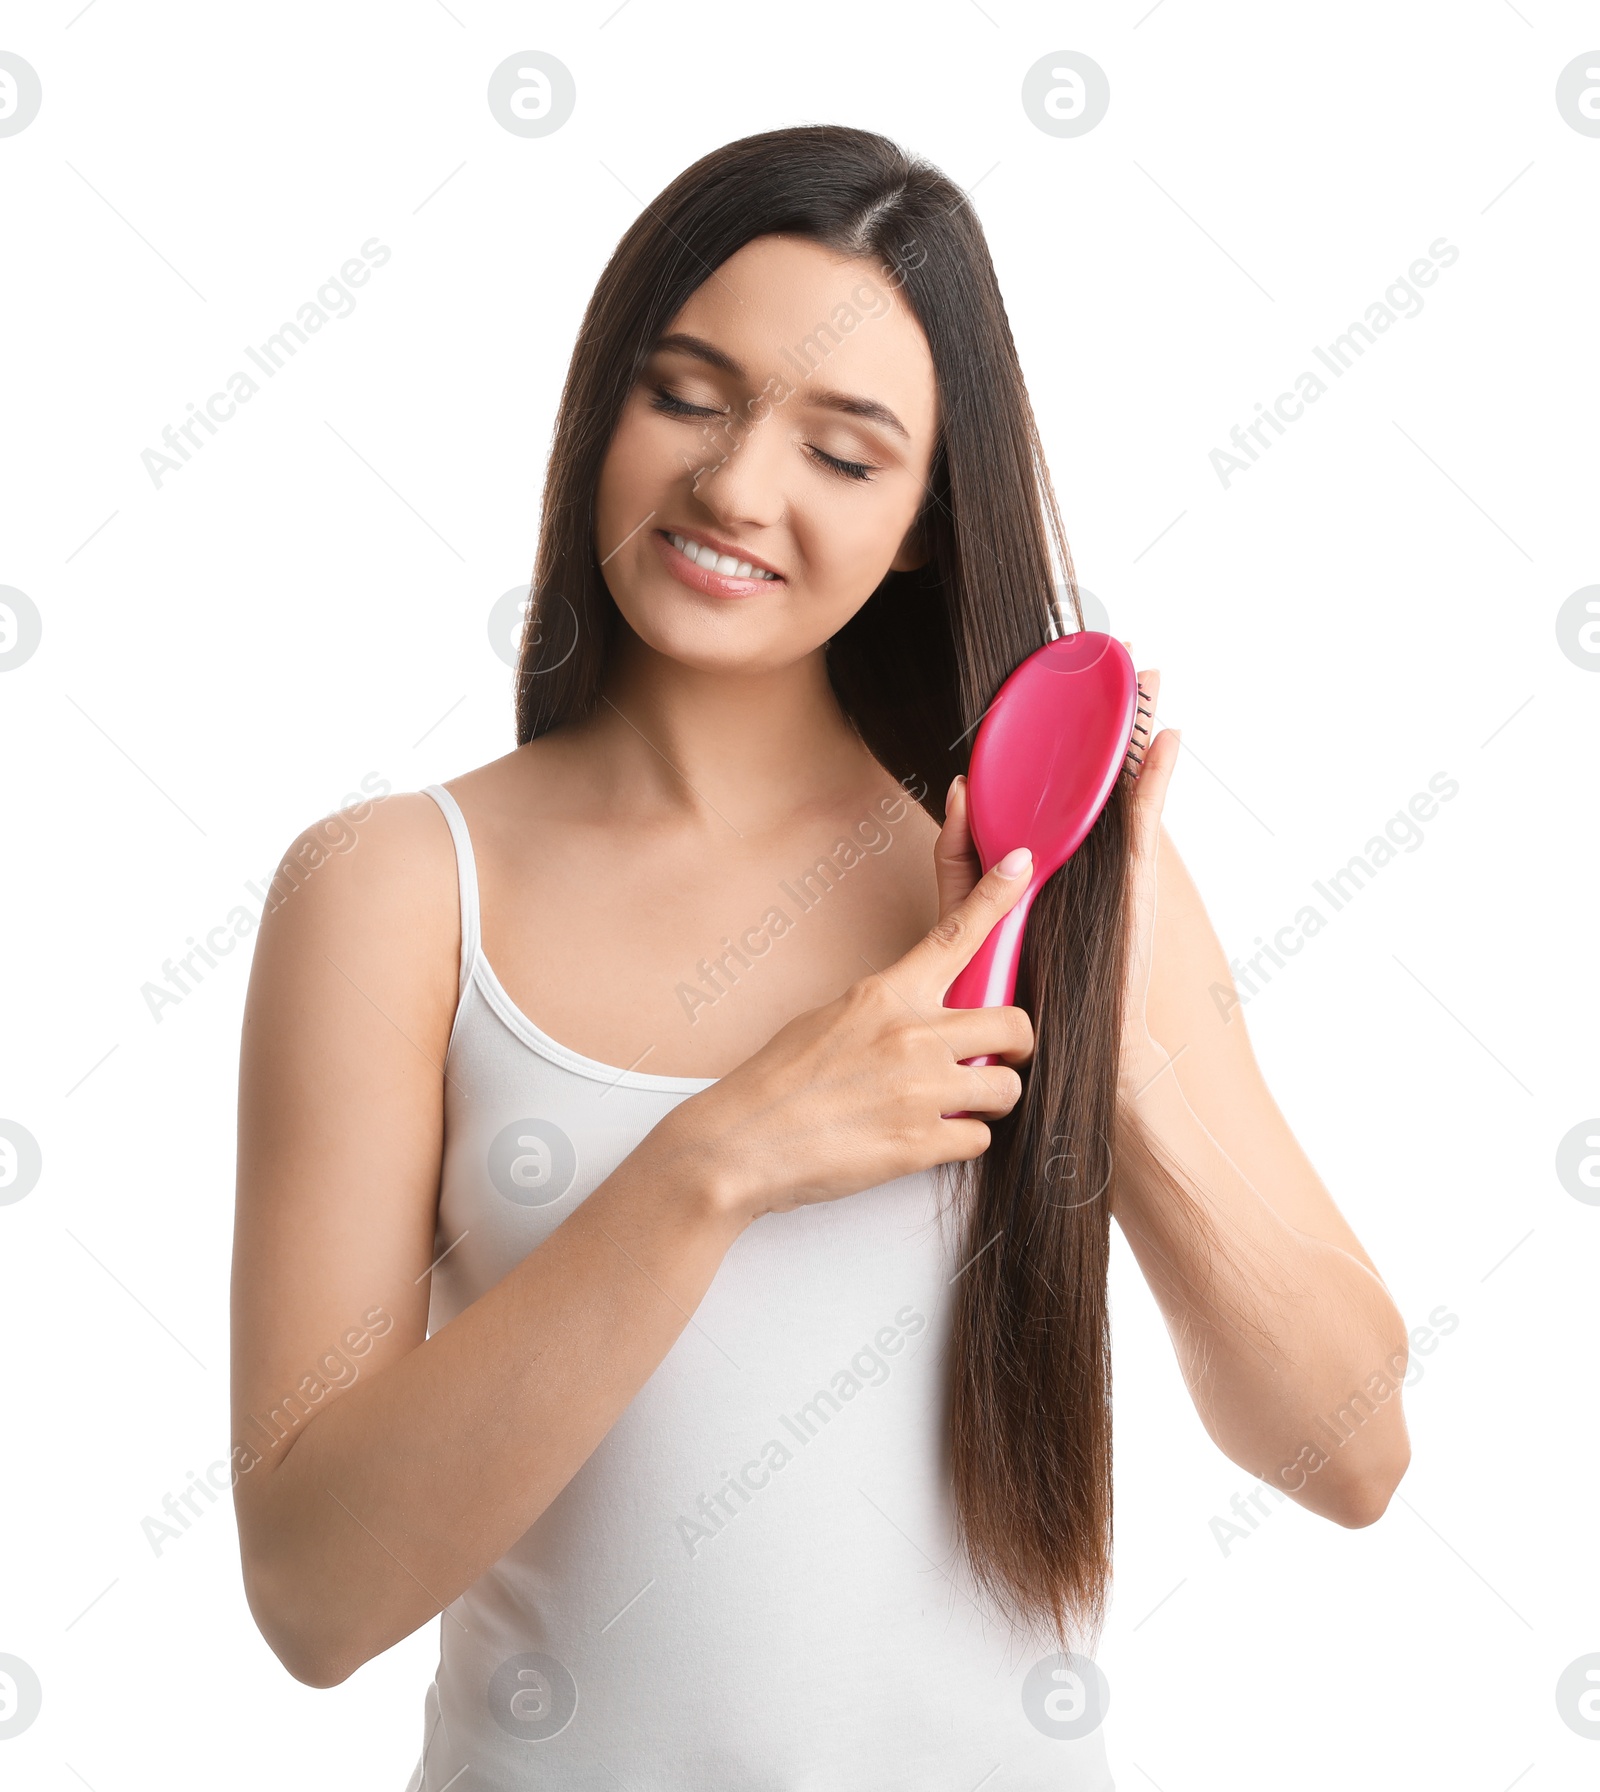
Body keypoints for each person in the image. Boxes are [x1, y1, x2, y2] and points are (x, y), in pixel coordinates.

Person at [230, 126, 1410, 1789]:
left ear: (929, 519)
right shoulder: (393, 891)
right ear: (601, 404)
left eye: (845, 454)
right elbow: (314, 1594)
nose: (734, 488)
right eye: (689, 395)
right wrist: (714, 1161)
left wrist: (1085, 981)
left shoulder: (1043, 881)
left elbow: (1352, 1458)